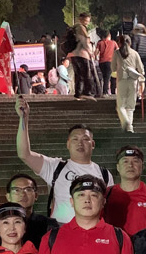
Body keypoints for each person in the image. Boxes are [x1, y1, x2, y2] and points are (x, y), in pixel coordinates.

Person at [16, 96, 114, 224]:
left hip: (92, 229)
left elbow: (110, 206)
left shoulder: (104, 174)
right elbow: (24, 154)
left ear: (93, 144)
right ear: (68, 144)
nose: (80, 143)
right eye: (75, 139)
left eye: (85, 139)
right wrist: (23, 119)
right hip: (60, 228)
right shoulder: (55, 167)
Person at [104, 146, 146, 236]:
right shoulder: (106, 194)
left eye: (135, 161)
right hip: (114, 243)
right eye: (125, 161)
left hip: (144, 244)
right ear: (118, 167)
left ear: (142, 166)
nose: (130, 165)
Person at [6, 173, 59, 246]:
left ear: (36, 196)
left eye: (28, 190)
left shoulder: (49, 225)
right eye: (17, 190)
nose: (22, 194)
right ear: (8, 196)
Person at [111, 35, 145, 133]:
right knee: (130, 107)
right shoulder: (135, 53)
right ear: (130, 43)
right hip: (133, 81)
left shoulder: (117, 53)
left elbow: (113, 68)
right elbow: (141, 69)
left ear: (119, 43)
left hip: (121, 81)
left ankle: (125, 122)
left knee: (120, 106)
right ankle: (129, 127)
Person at [72, 12, 97, 101]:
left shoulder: (74, 28)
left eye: (88, 21)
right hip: (82, 54)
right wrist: (91, 52)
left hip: (74, 55)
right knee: (87, 74)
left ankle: (78, 94)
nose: (87, 23)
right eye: (86, 21)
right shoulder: (81, 28)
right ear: (81, 19)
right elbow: (85, 41)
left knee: (79, 75)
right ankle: (87, 92)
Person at [97, 29, 119, 95]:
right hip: (110, 61)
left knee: (104, 77)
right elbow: (118, 51)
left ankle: (103, 91)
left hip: (101, 62)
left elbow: (96, 53)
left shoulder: (100, 43)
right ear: (109, 35)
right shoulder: (113, 43)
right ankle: (105, 92)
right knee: (107, 77)